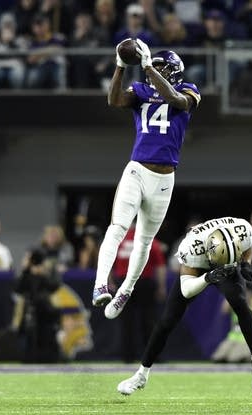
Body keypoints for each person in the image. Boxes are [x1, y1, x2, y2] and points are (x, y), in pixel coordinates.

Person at [90, 38, 201, 319]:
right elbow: (114, 100)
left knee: (144, 241)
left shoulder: (188, 90)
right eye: (156, 67)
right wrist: (119, 66)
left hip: (164, 178)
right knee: (118, 227)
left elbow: (175, 100)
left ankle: (127, 288)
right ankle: (100, 284)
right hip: (137, 170)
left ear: (174, 71)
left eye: (164, 68)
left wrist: (150, 67)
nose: (156, 72)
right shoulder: (140, 91)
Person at [115, 216, 252, 395]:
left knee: (240, 303)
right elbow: (187, 290)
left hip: (227, 263)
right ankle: (141, 375)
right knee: (167, 320)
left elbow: (247, 247)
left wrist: (245, 264)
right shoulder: (191, 248)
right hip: (200, 269)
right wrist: (207, 277)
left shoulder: (243, 229)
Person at [113, 222, 167, 363]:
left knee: (126, 321)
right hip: (144, 281)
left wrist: (109, 282)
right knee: (148, 320)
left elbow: (108, 261)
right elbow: (160, 266)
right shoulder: (149, 240)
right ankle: (151, 356)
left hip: (123, 282)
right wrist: (161, 286)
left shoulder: (120, 240)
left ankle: (127, 356)